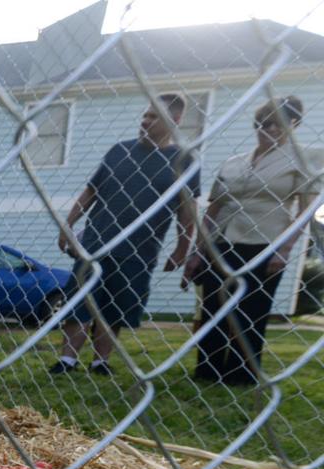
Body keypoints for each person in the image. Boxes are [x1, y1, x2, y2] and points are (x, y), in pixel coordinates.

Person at [51, 93, 199, 376]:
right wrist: (68, 225)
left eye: (154, 116)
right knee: (79, 302)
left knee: (115, 308)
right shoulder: (119, 150)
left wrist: (182, 249)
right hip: (94, 245)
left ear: (175, 120)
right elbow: (91, 191)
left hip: (139, 251)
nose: (145, 121)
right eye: (145, 115)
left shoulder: (183, 161)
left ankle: (100, 361)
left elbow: (187, 211)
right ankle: (67, 360)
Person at [186, 96, 323, 386]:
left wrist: (284, 249)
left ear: (293, 125)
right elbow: (214, 208)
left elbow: (306, 209)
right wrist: (199, 250)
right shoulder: (235, 162)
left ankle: (241, 373)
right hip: (222, 242)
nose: (270, 129)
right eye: (264, 122)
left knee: (251, 311)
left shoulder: (302, 158)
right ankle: (207, 370)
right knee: (213, 307)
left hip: (264, 244)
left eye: (278, 124)